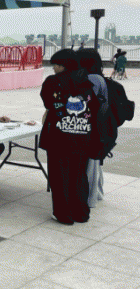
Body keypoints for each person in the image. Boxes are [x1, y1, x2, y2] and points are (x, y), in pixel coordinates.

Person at [40, 49, 96, 225]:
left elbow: (48, 103)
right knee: (79, 175)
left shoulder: (52, 81)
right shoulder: (85, 81)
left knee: (59, 176)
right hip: (82, 136)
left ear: (62, 65)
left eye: (55, 65)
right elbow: (94, 106)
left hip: (59, 137)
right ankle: (81, 213)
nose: (53, 68)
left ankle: (64, 214)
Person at [77, 50, 108, 208]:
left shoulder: (92, 79)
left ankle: (87, 199)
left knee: (89, 164)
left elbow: (85, 102)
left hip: (88, 127)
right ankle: (95, 194)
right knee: (93, 164)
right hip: (93, 126)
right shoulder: (97, 78)